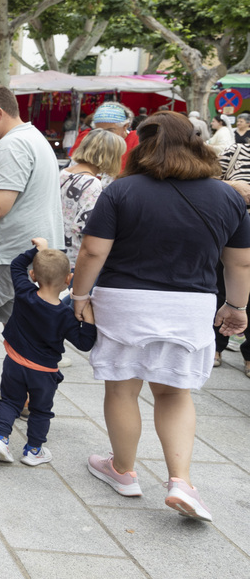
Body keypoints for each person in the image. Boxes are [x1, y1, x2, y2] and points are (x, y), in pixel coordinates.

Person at [73, 111, 250, 522]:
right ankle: (181, 481)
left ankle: (123, 470)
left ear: (142, 144)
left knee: (122, 390)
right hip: (191, 304)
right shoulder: (227, 197)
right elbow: (239, 264)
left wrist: (80, 295)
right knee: (173, 393)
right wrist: (236, 307)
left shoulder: (121, 191)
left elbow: (93, 251)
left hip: (124, 301)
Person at [0, 84, 64, 417]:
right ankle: (25, 399)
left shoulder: (12, 144)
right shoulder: (32, 138)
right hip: (33, 249)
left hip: (10, 254)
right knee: (23, 330)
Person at [0, 239, 97, 466]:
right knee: (40, 411)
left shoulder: (24, 291)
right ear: (68, 279)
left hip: (15, 363)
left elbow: (16, 265)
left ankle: (1, 440)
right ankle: (33, 450)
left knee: (9, 401)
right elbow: (84, 343)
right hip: (43, 372)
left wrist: (37, 250)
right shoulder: (65, 315)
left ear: (33, 275)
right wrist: (88, 321)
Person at [60, 129, 126, 268]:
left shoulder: (63, 173)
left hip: (56, 252)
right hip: (75, 258)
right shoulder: (91, 183)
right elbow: (88, 225)